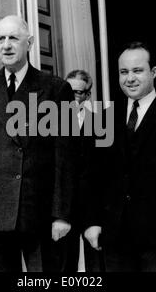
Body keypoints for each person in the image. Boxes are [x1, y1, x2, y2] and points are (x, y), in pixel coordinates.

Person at [0, 15, 76, 272]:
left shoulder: (57, 89)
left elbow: (66, 159)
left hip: (40, 212)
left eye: (13, 38)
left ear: (30, 43)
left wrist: (62, 214)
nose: (7, 45)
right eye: (1, 39)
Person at [84, 41, 156, 272]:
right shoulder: (103, 120)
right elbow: (91, 176)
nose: (130, 78)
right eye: (124, 72)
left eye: (137, 71)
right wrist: (91, 221)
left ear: (153, 72)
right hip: (114, 236)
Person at [51, 69, 104, 272]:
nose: (72, 96)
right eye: (68, 90)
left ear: (87, 95)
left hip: (91, 205)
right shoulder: (51, 124)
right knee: (64, 266)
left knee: (96, 266)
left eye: (78, 92)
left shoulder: (100, 123)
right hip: (63, 208)